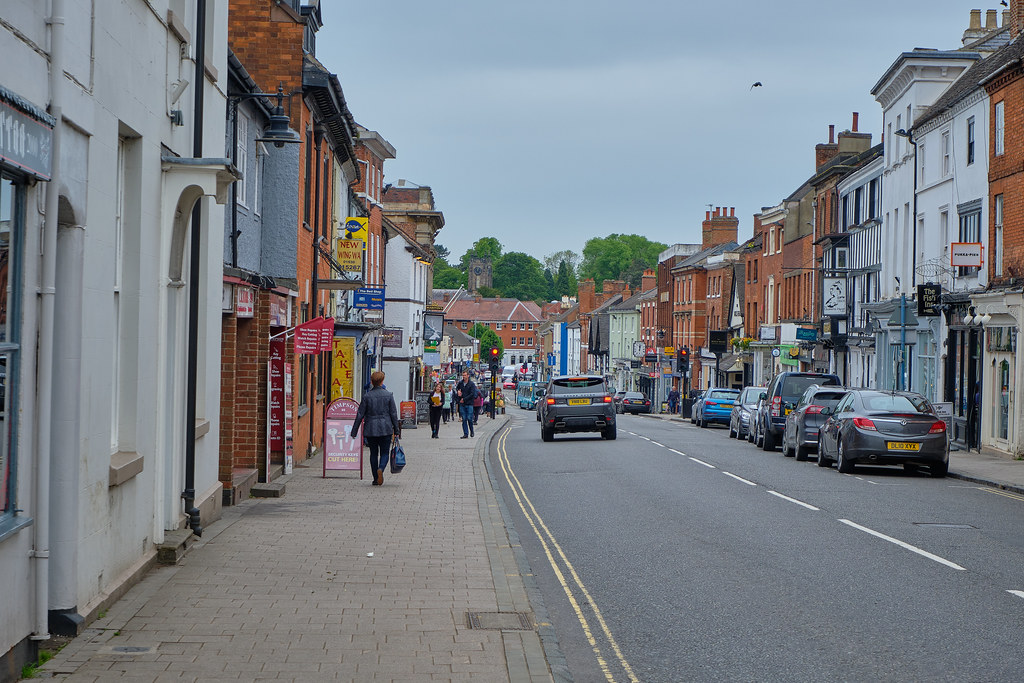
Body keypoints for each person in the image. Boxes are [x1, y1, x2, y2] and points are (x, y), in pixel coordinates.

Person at [350, 371, 401, 486]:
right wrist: (397, 430)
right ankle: (381, 469)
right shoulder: (389, 395)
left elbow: (360, 414)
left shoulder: (367, 396)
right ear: (382, 381)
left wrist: (354, 431)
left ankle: (375, 478)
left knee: (373, 454)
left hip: (371, 429)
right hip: (386, 428)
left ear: (372, 382)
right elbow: (393, 414)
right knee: (384, 453)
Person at [454, 371, 478, 439]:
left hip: (469, 403)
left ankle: (471, 431)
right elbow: (457, 388)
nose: (464, 377)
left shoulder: (471, 384)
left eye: (465, 375)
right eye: (463, 375)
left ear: (468, 376)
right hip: (462, 404)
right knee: (464, 419)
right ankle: (465, 433)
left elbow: (472, 394)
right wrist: (458, 391)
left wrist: (464, 399)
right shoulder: (460, 383)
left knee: (469, 418)